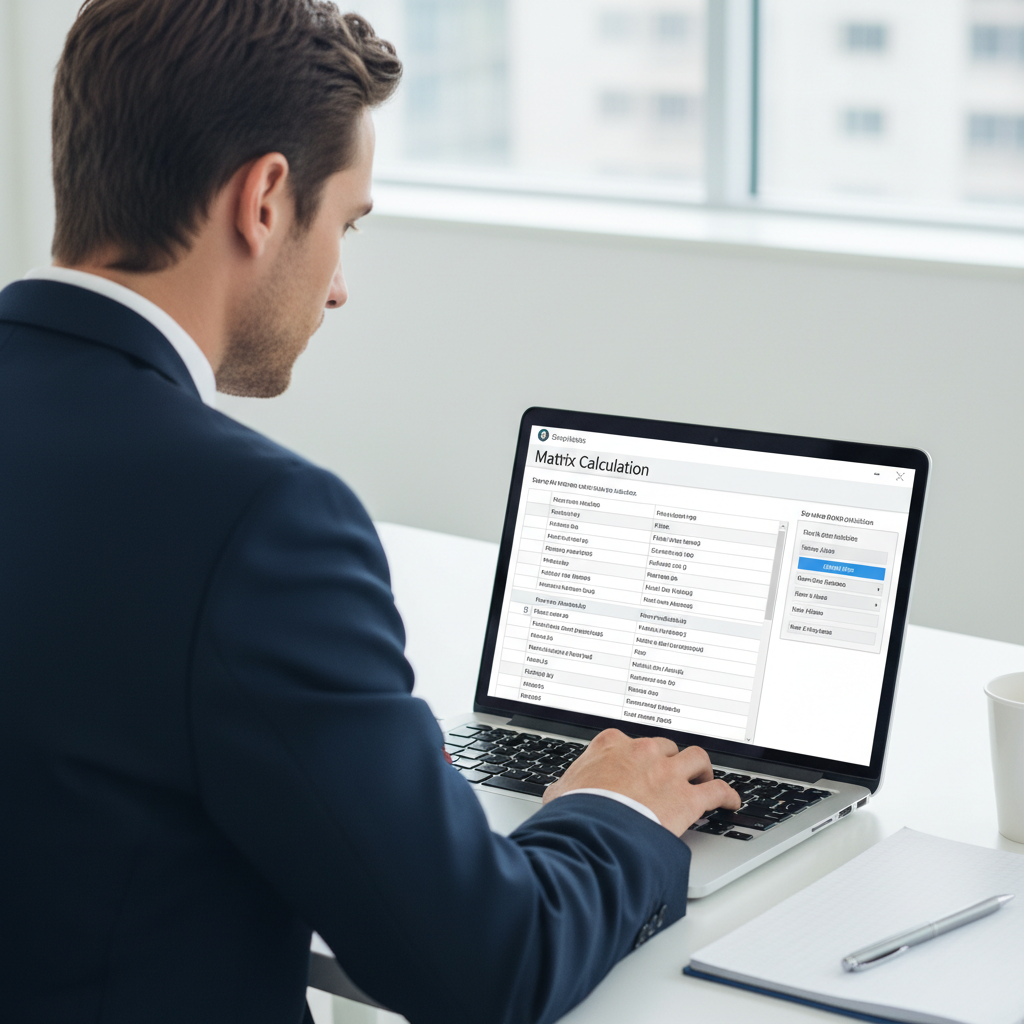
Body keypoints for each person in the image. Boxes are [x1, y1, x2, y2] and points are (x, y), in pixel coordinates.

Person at [0, 2, 739, 1022]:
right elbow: (486, 965)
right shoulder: (261, 521)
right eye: (344, 224)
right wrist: (616, 810)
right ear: (263, 200)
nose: (339, 288)